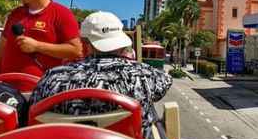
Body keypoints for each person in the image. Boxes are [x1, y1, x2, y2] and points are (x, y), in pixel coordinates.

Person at [30, 11, 171, 132]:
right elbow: (166, 81)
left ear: (85, 44)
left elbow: (33, 110)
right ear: (121, 43)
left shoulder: (52, 78)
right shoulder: (145, 76)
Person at [0, 0, 82, 77]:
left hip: (39, 90)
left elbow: (76, 51)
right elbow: (1, 49)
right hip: (4, 86)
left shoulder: (62, 14)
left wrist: (37, 46)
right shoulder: (15, 14)